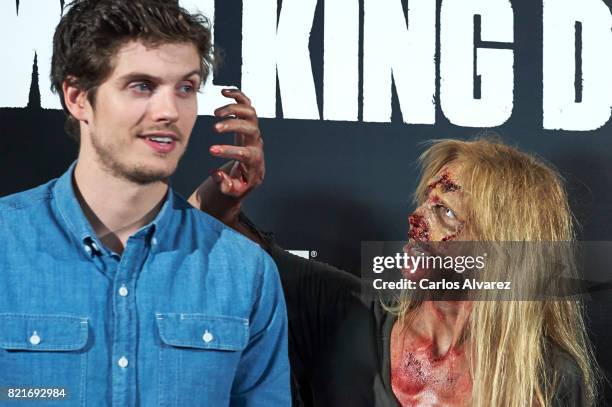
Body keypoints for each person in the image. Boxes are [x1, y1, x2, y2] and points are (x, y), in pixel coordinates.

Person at [0, 1, 289, 405]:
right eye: (142, 86)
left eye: (185, 88)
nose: (170, 111)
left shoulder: (247, 273)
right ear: (78, 97)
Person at [194, 138, 600, 406]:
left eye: (445, 212)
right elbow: (215, 232)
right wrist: (229, 190)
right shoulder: (344, 313)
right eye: (425, 202)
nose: (416, 220)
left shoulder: (548, 378)